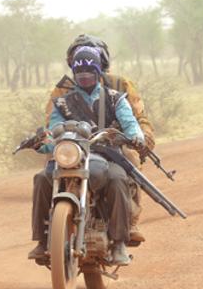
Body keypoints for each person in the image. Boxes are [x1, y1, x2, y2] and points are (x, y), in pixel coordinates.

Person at [29, 47, 145, 266]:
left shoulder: (115, 99)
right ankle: (43, 241)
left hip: (105, 155)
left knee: (118, 179)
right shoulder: (62, 103)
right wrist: (41, 143)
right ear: (74, 74)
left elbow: (131, 125)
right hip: (70, 155)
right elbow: (53, 131)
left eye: (89, 74)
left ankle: (119, 242)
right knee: (42, 178)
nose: (84, 79)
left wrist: (135, 137)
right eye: (80, 75)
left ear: (98, 72)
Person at [45, 34, 154, 242]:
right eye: (78, 60)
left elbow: (138, 116)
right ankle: (47, 232)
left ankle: (130, 222)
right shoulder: (62, 89)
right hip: (74, 146)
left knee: (129, 164)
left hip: (112, 145)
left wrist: (142, 138)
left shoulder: (119, 85)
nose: (84, 69)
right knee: (47, 168)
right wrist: (46, 140)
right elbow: (51, 121)